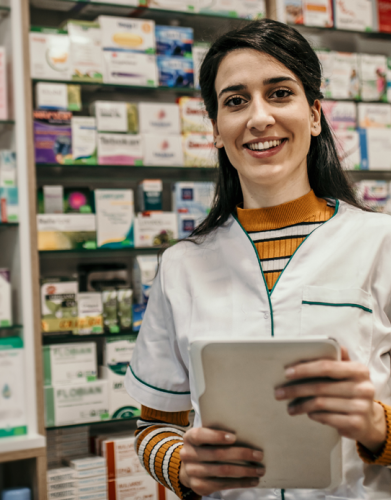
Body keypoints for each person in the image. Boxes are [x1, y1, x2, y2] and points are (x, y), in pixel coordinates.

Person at [125, 19, 391, 500]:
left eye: (280, 93)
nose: (259, 117)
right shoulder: (182, 265)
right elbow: (153, 426)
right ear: (216, 130)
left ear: (313, 116)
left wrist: (375, 424)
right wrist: (183, 466)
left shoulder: (381, 243)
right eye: (235, 100)